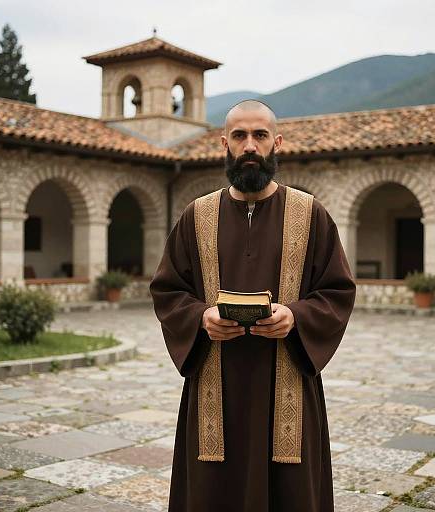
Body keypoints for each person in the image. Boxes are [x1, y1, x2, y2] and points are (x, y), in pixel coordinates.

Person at [149, 99, 356, 512]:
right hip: (214, 384)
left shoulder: (310, 214)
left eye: (259, 135)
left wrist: (295, 316)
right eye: (239, 136)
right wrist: (201, 316)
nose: (249, 145)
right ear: (224, 144)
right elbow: (168, 290)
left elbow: (337, 291)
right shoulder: (196, 216)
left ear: (276, 142)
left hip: (288, 386)